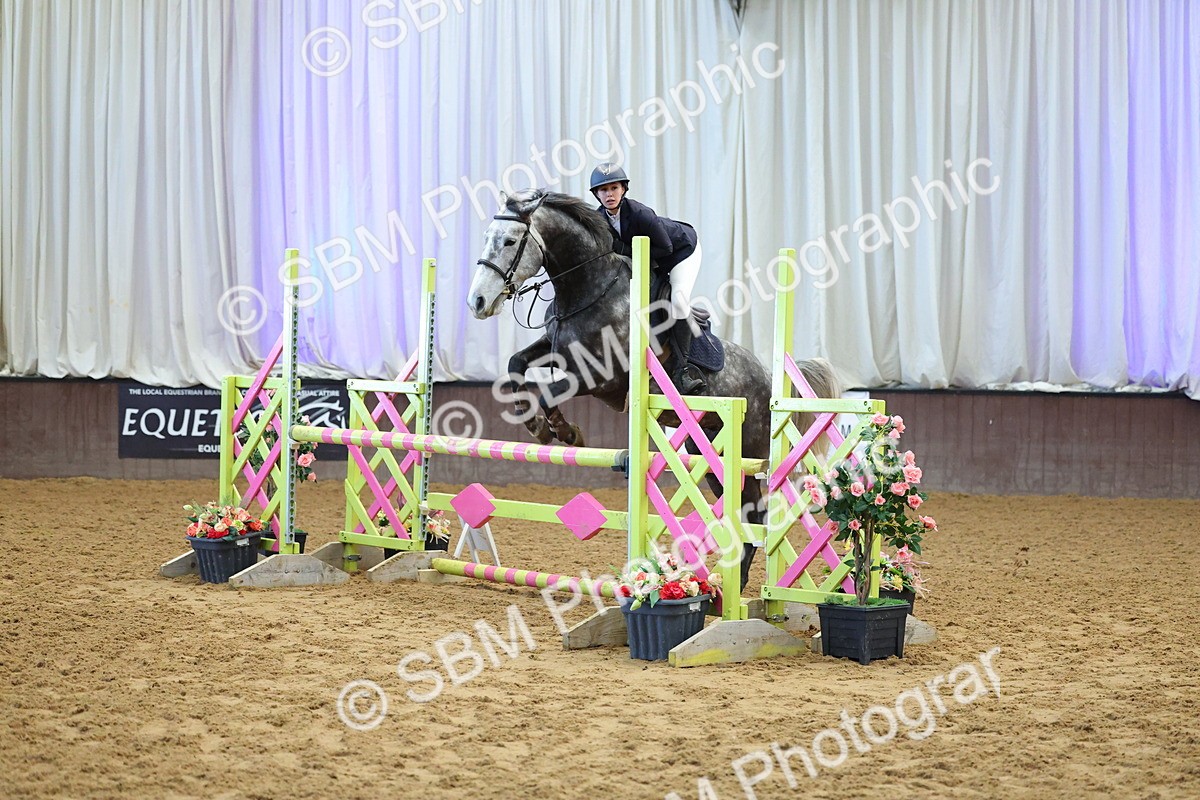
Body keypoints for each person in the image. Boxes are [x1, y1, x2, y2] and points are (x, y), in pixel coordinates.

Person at [588, 162, 707, 394]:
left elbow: (666, 247)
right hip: (649, 258)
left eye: (614, 188)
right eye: (604, 190)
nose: (609, 194)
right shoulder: (598, 219)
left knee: (679, 301)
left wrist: (624, 248)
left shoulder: (640, 213)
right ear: (596, 194)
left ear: (623, 189)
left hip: (681, 252)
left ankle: (684, 370)